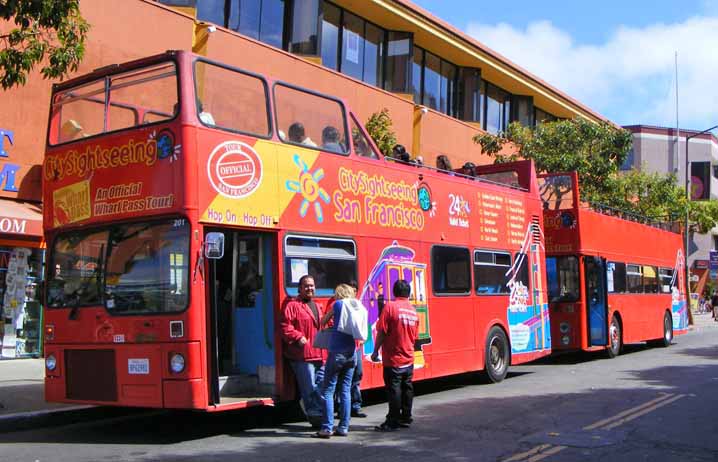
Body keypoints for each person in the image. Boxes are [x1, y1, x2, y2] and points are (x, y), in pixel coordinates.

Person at [371, 279, 419, 432]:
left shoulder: (390, 307)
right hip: (408, 357)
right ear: (408, 293)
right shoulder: (413, 310)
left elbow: (382, 331)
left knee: (394, 389)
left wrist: (375, 351)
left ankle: (393, 420)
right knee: (407, 388)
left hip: (393, 359)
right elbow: (415, 336)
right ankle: (406, 417)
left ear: (394, 292)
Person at [279, 275, 325, 427]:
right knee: (309, 388)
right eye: (306, 286)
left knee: (321, 386)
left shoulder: (318, 306)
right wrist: (298, 337)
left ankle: (319, 413)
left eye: (311, 285)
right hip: (302, 355)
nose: (309, 288)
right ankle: (315, 417)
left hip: (319, 354)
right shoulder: (292, 305)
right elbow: (285, 327)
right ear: (299, 288)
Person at [314, 284, 358, 438]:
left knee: (328, 390)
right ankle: (344, 427)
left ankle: (327, 428)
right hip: (352, 353)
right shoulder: (356, 305)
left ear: (339, 293)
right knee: (345, 390)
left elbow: (323, 321)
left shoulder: (337, 304)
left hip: (337, 352)